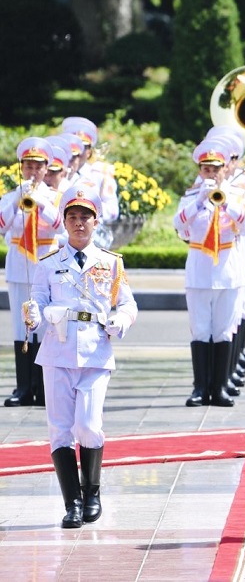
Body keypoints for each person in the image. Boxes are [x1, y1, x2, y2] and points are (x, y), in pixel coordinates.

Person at [23, 186, 137, 528]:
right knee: (60, 429)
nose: (78, 223)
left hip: (95, 352)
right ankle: (71, 503)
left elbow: (128, 304)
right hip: (57, 352)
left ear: (95, 221)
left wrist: (119, 320)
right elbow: (39, 302)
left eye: (84, 216)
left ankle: (92, 491)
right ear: (64, 221)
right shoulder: (48, 264)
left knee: (88, 425)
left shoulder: (110, 263)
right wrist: (33, 315)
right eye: (72, 216)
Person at [173, 138, 245, 407]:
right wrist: (200, 202)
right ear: (200, 170)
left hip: (227, 272)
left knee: (223, 331)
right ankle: (199, 388)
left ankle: (218, 389)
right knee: (200, 330)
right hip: (199, 272)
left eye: (215, 169)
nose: (211, 174)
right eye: (206, 169)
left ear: (224, 169)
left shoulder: (235, 196)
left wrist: (225, 203)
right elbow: (178, 225)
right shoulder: (192, 196)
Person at [1, 137, 61, 407]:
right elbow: (2, 225)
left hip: (46, 265)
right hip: (19, 266)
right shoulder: (11, 196)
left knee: (45, 326)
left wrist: (39, 202)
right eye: (28, 166)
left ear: (46, 168)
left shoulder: (54, 197)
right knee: (20, 327)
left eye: (38, 166)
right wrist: (17, 200)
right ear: (21, 168)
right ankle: (24, 387)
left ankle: (44, 388)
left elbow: (59, 225)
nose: (33, 171)